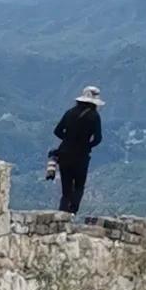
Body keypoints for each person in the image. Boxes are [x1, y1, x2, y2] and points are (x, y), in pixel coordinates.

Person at [48, 87, 104, 215]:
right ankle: (72, 213)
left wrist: (68, 140)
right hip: (81, 156)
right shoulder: (94, 116)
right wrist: (86, 145)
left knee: (66, 189)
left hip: (64, 154)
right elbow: (98, 138)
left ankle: (62, 215)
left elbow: (57, 131)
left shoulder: (70, 112)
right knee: (79, 186)